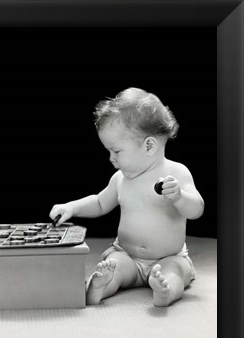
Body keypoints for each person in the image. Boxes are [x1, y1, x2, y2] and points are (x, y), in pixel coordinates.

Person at [49, 88, 204, 307]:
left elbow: (197, 209)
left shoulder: (177, 174)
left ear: (149, 146)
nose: (111, 158)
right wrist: (72, 207)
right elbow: (100, 202)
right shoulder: (120, 179)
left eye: (117, 151)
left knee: (177, 271)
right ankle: (99, 287)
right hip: (128, 255)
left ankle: (166, 291)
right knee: (113, 266)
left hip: (168, 257)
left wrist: (179, 197)